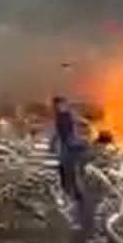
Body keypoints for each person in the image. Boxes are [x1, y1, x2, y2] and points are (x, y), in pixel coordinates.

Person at [50, 96, 93, 233]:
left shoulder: (65, 117)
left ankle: (82, 217)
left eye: (59, 105)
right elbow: (62, 135)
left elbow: (68, 136)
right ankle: (79, 214)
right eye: (56, 105)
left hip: (69, 155)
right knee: (68, 183)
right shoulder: (62, 117)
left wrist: (79, 145)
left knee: (72, 184)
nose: (57, 108)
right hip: (67, 155)